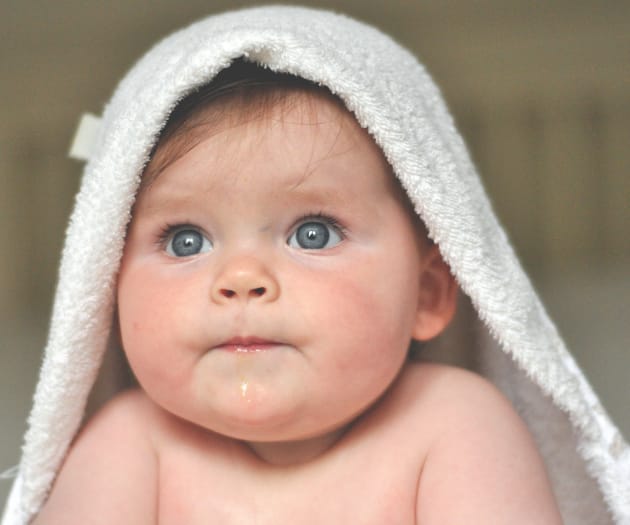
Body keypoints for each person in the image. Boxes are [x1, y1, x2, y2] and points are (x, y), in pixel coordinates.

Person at [4, 6, 627, 525]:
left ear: (427, 293)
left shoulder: (453, 427)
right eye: (186, 240)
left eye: (313, 232)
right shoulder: (130, 446)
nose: (242, 279)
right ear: (105, 284)